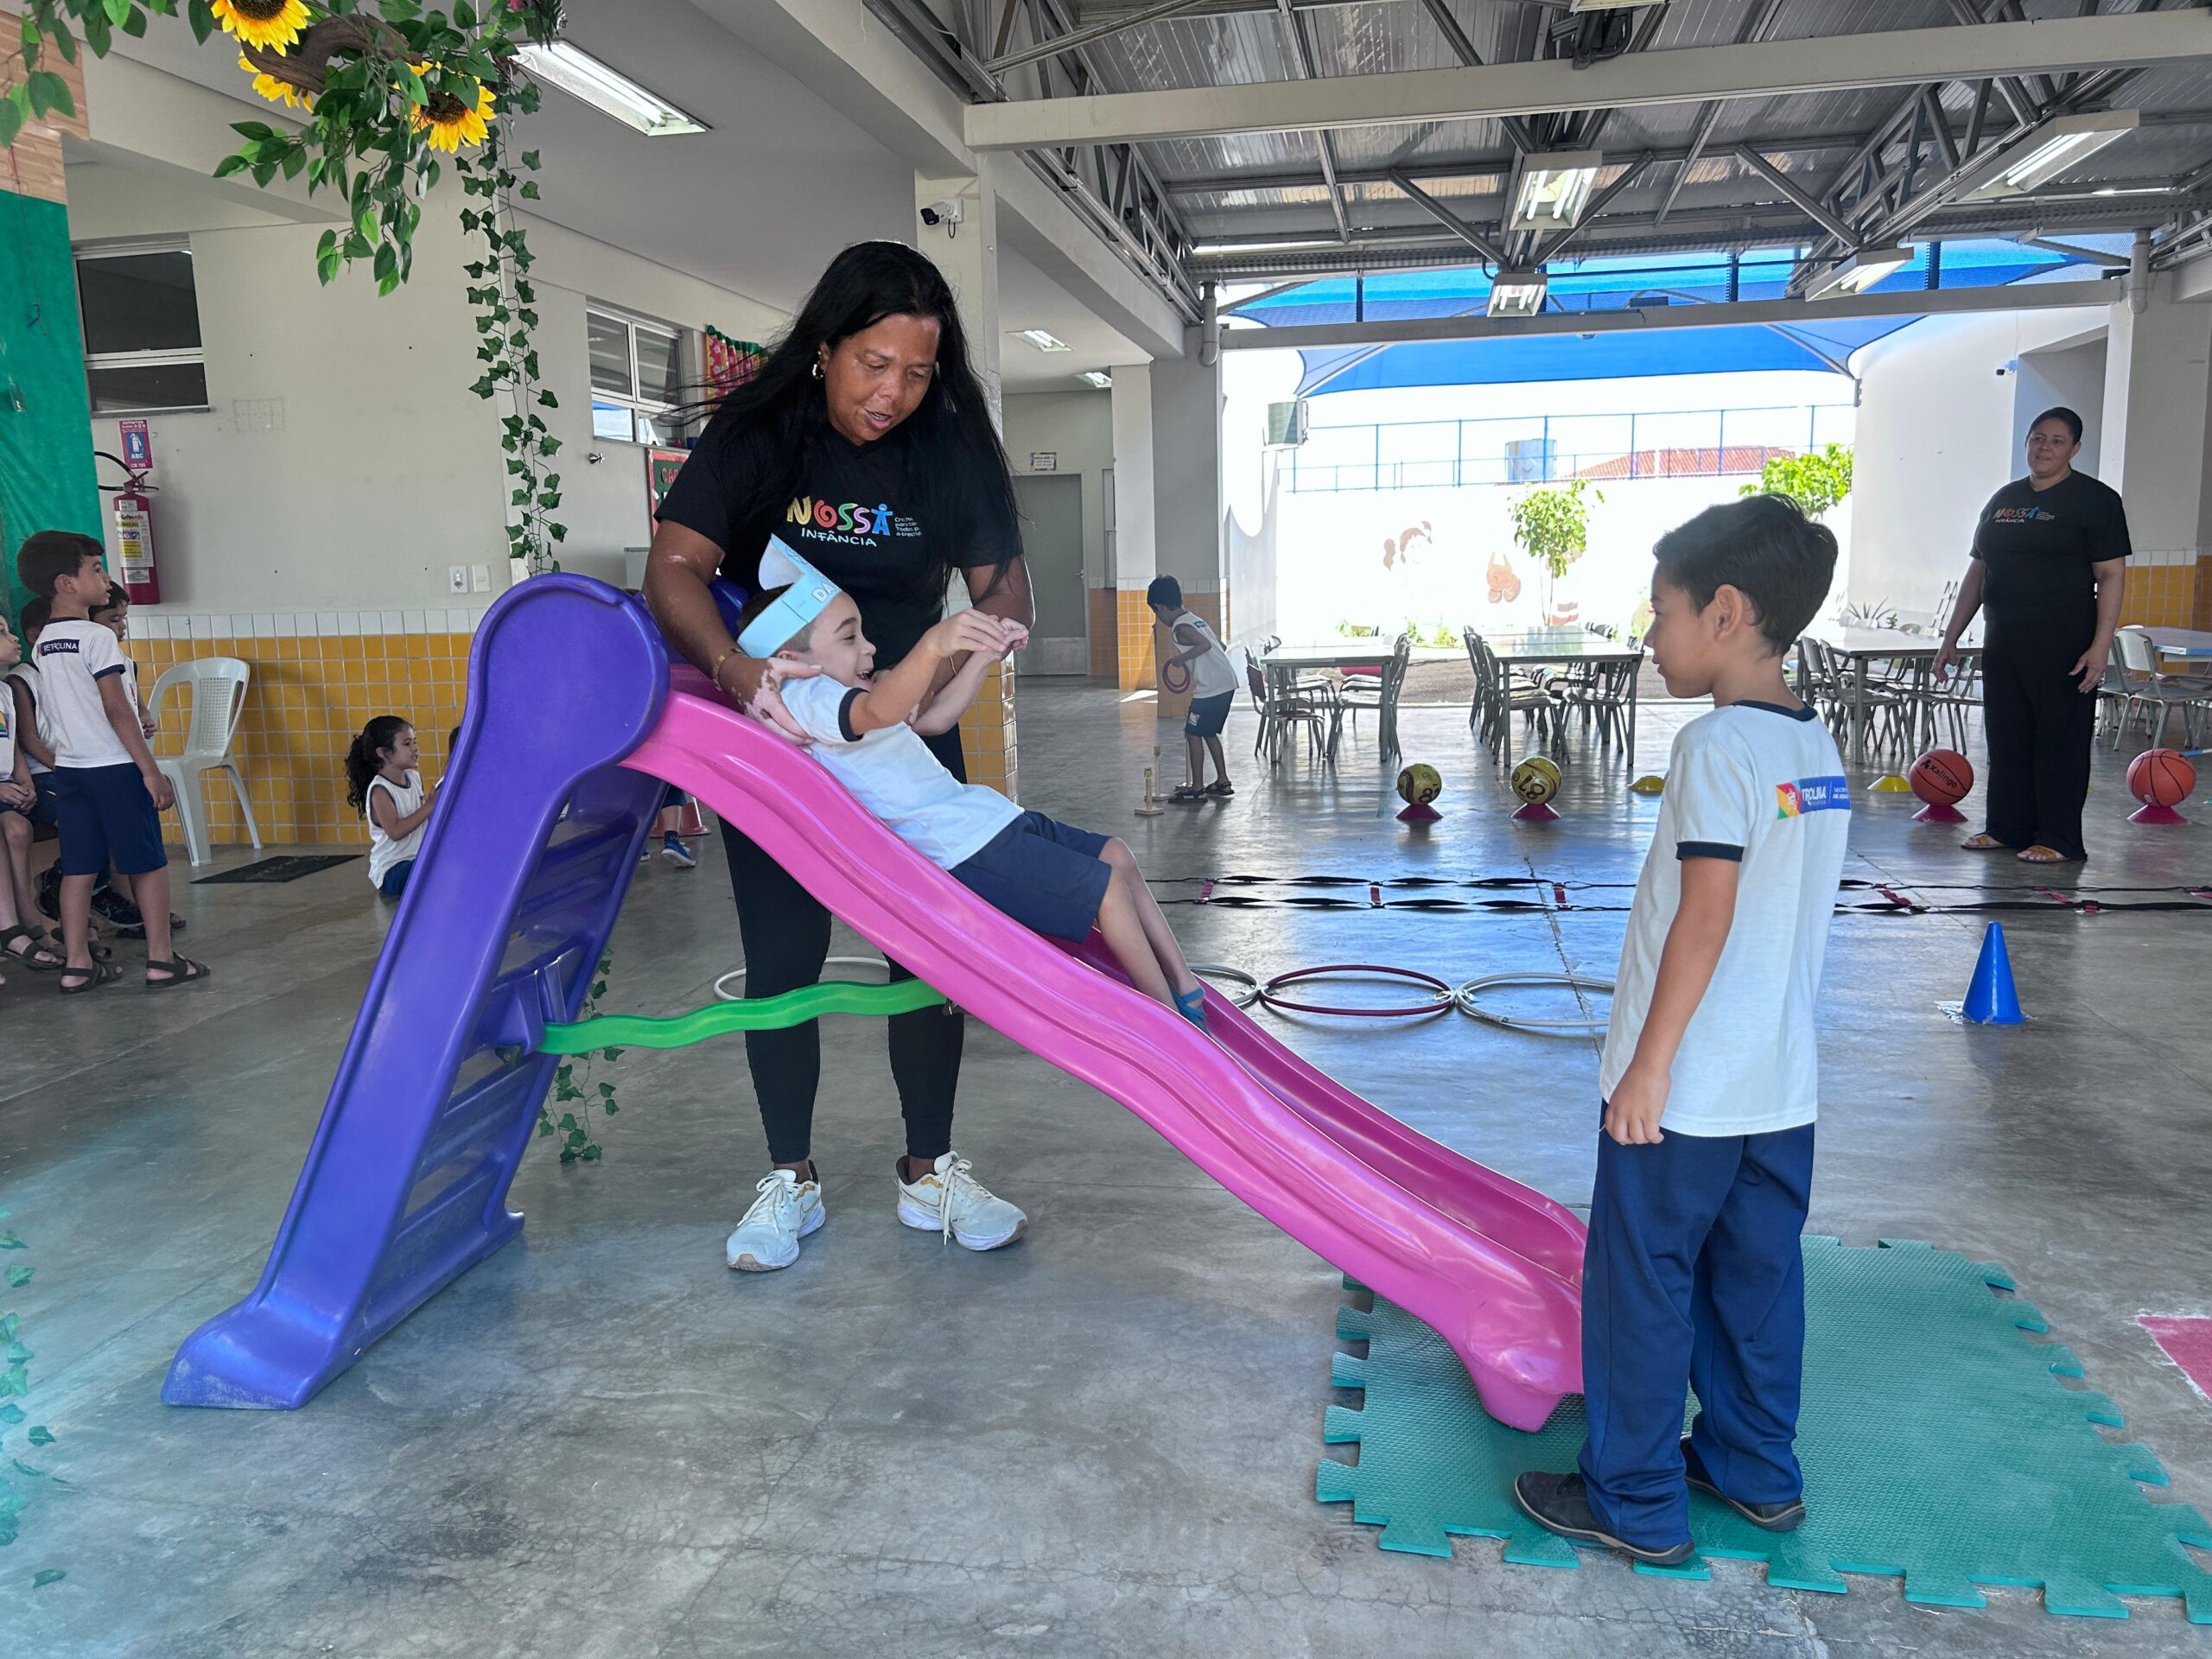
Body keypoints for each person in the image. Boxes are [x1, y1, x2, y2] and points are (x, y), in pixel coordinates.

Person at [644, 240, 1035, 1266]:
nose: (893, 392)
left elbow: (1005, 587)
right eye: (873, 363)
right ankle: (789, 1178)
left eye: (915, 370)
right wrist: (736, 670)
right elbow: (674, 568)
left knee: (932, 954)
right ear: (825, 348)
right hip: (781, 746)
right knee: (783, 962)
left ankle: (928, 1170)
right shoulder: (761, 433)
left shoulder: (948, 447)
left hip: (901, 748)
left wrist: (971, 657)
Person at [1514, 495, 1848, 1567]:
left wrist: (1646, 1069)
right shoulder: (1814, 742)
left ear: (1727, 612)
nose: (1648, 635)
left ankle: (1634, 1501)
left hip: (1687, 1092)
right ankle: (1755, 1471)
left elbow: (1703, 916)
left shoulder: (1715, 747)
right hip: (1779, 1086)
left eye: (1659, 612)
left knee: (1642, 1287)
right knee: (1756, 1285)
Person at [1933, 406, 2128, 865]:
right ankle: (2007, 826)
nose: (2044, 447)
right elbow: (1978, 570)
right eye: (2037, 438)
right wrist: (1951, 637)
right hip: (2004, 638)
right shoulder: (2003, 500)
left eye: (2057, 441)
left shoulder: (2095, 501)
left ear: (2075, 449)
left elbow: (2112, 575)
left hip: (2065, 642)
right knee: (2007, 736)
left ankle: (2058, 838)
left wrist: (2100, 646)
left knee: (2058, 740)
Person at [15, 531, 207, 992]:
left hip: (71, 770)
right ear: (66, 583)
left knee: (79, 866)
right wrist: (149, 770)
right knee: (147, 862)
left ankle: (77, 965)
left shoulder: (45, 643)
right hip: (115, 768)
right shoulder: (97, 637)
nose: (105, 578)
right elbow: (117, 710)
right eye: (96, 569)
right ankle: (161, 958)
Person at [0, 613, 65, 977]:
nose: (13, 640)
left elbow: (11, 750)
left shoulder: (5, 692)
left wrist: (23, 782)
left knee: (18, 830)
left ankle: (27, 921)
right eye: (2, 633)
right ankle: (10, 928)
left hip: (8, 789)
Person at [1147, 575, 1237, 804]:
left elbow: (1204, 645)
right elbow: (1219, 645)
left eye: (1157, 613)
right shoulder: (1195, 619)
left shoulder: (1180, 627)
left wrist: (1180, 660)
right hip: (1225, 683)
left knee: (1192, 732)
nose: (1160, 618)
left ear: (1159, 607)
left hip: (1210, 688)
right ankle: (1222, 782)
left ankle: (1197, 789)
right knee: (1207, 732)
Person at [346, 715, 434, 900]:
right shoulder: (380, 790)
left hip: (417, 858)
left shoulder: (414, 777)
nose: (415, 748)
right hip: (393, 870)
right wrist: (430, 806)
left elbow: (424, 819)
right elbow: (395, 831)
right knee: (436, 872)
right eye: (407, 744)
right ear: (384, 753)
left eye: (415, 742)